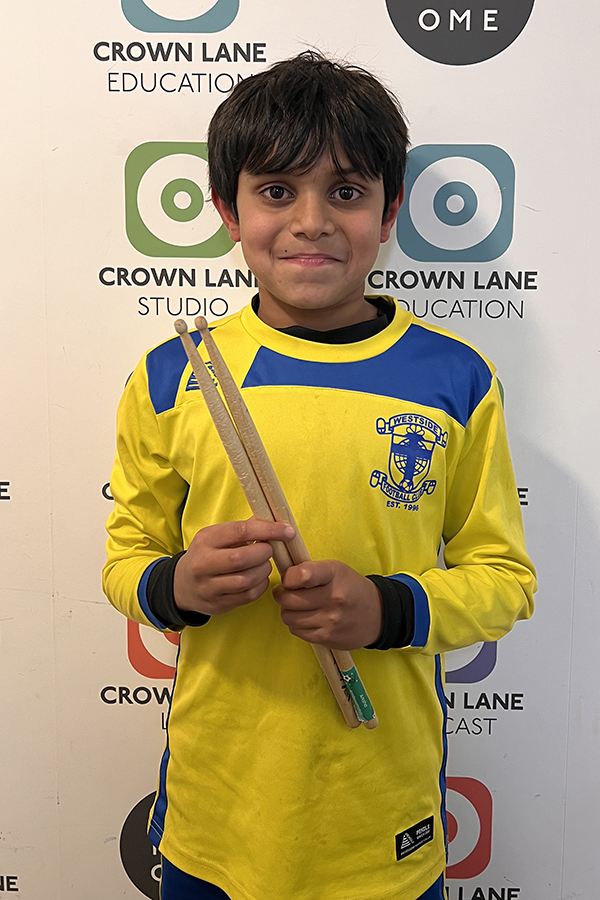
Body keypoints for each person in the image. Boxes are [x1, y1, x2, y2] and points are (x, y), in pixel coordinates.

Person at [103, 51, 536, 900]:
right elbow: (126, 562)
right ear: (227, 209)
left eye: (346, 191)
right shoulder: (173, 375)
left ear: (390, 211)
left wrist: (388, 607)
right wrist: (179, 584)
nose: (310, 221)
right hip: (216, 810)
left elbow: (504, 582)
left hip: (379, 814)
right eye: (276, 191)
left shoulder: (455, 378)